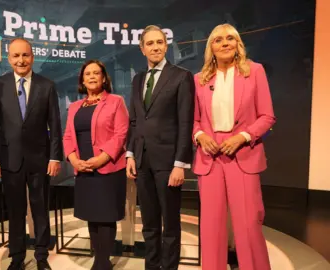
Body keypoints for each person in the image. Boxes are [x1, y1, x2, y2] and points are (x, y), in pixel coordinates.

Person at [193, 23, 275, 270]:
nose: (224, 42)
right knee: (212, 227)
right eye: (218, 39)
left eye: (230, 38)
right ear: (211, 48)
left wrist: (242, 137)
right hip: (210, 157)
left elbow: (267, 116)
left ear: (238, 44)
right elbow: (193, 120)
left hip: (243, 154)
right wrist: (199, 135)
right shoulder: (199, 79)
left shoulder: (255, 71)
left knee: (248, 224)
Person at [0, 38, 63, 270]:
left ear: (33, 56)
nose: (21, 60)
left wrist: (55, 156)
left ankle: (41, 257)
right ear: (9, 58)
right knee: (15, 211)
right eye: (16, 56)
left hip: (40, 159)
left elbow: (55, 125)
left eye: (25, 55)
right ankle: (16, 257)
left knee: (40, 209)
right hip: (9, 160)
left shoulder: (46, 85)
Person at [126, 25, 195, 270]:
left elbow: (186, 122)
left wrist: (180, 164)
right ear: (142, 48)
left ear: (165, 45)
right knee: (149, 223)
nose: (155, 47)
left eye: (160, 42)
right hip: (142, 161)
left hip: (169, 163)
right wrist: (130, 154)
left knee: (170, 224)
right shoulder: (137, 80)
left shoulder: (181, 76)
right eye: (150, 43)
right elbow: (134, 121)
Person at [63, 60, 129, 270]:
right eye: (87, 74)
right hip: (83, 169)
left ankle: (102, 262)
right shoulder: (74, 107)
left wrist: (102, 158)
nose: (92, 77)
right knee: (92, 215)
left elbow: (121, 134)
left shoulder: (116, 101)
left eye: (96, 73)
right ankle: (98, 259)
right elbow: (67, 137)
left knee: (106, 216)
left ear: (103, 78)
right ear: (82, 79)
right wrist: (74, 160)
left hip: (108, 169)